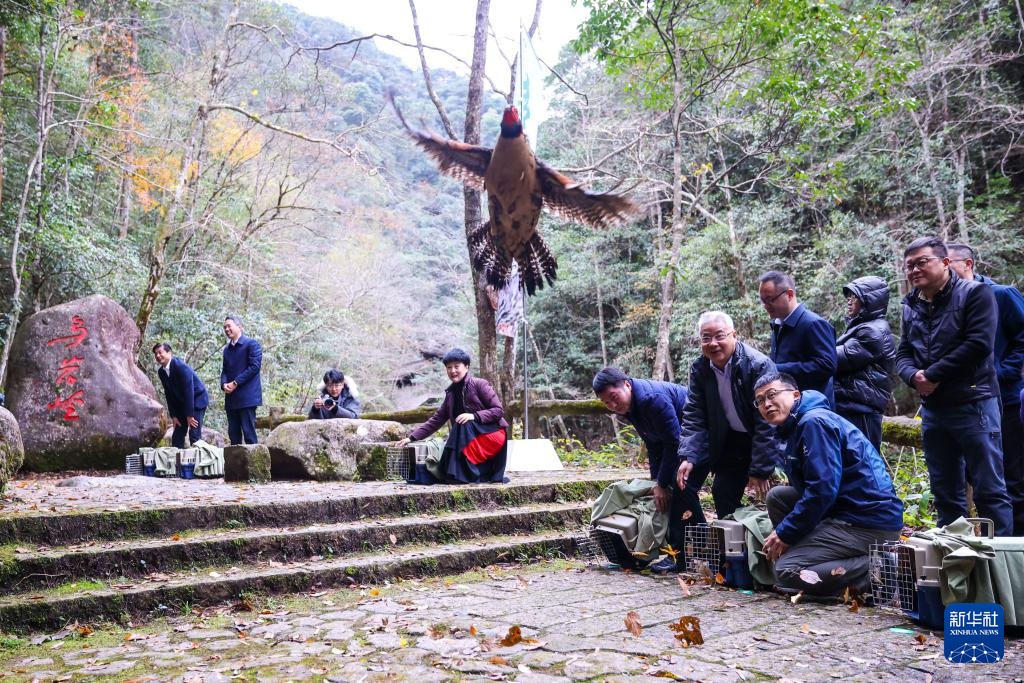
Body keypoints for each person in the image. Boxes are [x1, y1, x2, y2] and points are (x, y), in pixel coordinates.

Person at [894, 236, 1013, 535]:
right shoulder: (911, 305)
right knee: (946, 493)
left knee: (990, 490)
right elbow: (903, 351)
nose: (914, 270)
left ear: (945, 262)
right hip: (934, 409)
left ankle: (1000, 570)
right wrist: (913, 377)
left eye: (922, 262)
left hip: (974, 403)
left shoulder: (975, 294)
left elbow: (979, 343)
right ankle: (955, 565)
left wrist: (932, 374)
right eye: (909, 266)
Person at [755, 372, 904, 597]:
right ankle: (813, 560)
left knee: (786, 570)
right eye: (760, 400)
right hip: (844, 509)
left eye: (772, 394)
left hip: (867, 521)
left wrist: (785, 533)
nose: (766, 403)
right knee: (778, 497)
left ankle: (879, 568)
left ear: (795, 395)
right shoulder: (796, 426)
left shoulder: (814, 422)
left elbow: (822, 490)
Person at [676, 311, 780, 546]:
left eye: (719, 336)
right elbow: (694, 414)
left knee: (772, 500)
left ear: (734, 335)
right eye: (706, 338)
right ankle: (734, 557)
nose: (713, 343)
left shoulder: (758, 365)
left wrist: (761, 468)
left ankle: (770, 557)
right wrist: (689, 456)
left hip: (762, 441)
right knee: (723, 494)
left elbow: (767, 421)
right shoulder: (700, 369)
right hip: (730, 441)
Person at [947, 243, 1024, 535]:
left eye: (949, 262)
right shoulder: (949, 303)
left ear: (967, 263)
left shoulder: (1001, 295)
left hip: (1007, 398)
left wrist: (1002, 372)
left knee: (1012, 477)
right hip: (970, 402)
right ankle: (990, 545)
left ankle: (1015, 552)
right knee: (980, 477)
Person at [593, 367, 689, 573]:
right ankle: (682, 552)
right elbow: (654, 444)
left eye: (613, 397)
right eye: (606, 403)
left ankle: (682, 557)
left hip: (698, 438)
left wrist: (662, 483)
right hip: (680, 443)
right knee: (666, 494)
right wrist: (655, 483)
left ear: (626, 385)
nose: (612, 405)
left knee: (682, 491)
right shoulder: (631, 406)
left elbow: (674, 442)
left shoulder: (651, 400)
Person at [396, 348, 508, 483]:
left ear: (466, 367)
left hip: (492, 434)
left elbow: (498, 410)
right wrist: (412, 438)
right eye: (449, 367)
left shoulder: (479, 384)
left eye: (456, 366)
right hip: (468, 437)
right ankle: (452, 474)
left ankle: (456, 473)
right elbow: (436, 420)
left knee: (463, 422)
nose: (453, 371)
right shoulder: (450, 394)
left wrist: (474, 416)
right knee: (462, 425)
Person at [834, 276, 896, 453]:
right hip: (852, 406)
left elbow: (839, 358)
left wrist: (812, 348)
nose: (849, 301)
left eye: (854, 297)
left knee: (864, 464)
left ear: (869, 300)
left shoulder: (872, 331)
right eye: (849, 297)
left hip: (861, 410)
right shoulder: (862, 326)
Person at [758, 271, 837, 405]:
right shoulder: (777, 324)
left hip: (812, 407)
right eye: (763, 301)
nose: (766, 306)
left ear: (789, 294)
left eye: (770, 300)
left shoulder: (813, 324)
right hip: (786, 405)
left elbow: (826, 366)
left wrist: (777, 368)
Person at [153, 343, 209, 449]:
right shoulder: (161, 372)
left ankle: (199, 463)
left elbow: (189, 392)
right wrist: (174, 415)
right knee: (177, 435)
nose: (158, 356)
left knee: (194, 434)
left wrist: (189, 415)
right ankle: (177, 463)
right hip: (182, 403)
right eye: (156, 354)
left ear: (169, 353)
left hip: (197, 400)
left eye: (160, 352)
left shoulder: (181, 367)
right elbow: (168, 394)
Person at [220, 315, 263, 445]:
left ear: (239, 327)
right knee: (233, 435)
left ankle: (255, 464)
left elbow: (254, 367)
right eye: (225, 327)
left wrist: (235, 382)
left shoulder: (251, 344)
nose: (227, 329)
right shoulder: (227, 350)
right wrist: (224, 385)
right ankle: (236, 465)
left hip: (247, 398)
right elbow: (225, 370)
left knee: (249, 434)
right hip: (231, 398)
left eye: (229, 326)